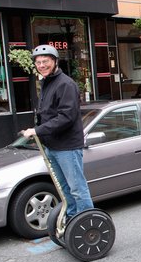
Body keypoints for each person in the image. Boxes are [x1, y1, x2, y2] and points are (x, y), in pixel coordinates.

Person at [21, 45, 93, 220]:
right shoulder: (46, 83)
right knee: (64, 188)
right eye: (38, 62)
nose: (42, 65)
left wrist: (37, 130)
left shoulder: (66, 84)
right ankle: (73, 218)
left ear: (54, 62)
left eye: (45, 61)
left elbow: (66, 117)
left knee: (76, 187)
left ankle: (87, 221)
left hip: (67, 147)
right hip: (52, 146)